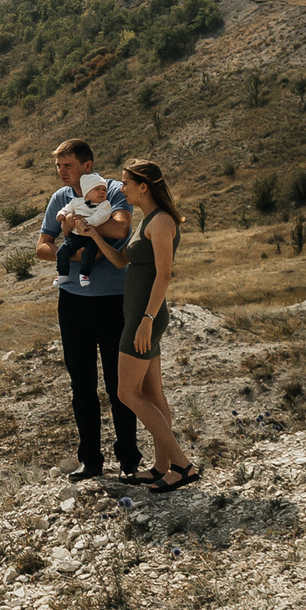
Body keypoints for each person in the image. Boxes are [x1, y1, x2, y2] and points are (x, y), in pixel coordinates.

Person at [81, 158, 199, 493]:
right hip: (138, 315)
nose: (120, 188)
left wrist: (146, 321)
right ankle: (163, 466)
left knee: (126, 392)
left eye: (126, 183)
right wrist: (93, 236)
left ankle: (182, 465)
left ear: (144, 186)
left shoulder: (160, 222)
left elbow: (164, 275)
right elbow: (121, 261)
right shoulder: (146, 220)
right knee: (150, 393)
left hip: (144, 318)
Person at [34, 139, 140, 483]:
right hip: (73, 302)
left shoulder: (113, 191)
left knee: (118, 384)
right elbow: (42, 247)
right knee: (81, 384)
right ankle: (91, 461)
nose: (61, 172)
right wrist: (80, 254)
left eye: (67, 165)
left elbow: (121, 228)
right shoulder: (59, 198)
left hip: (112, 299)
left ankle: (128, 460)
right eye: (58, 166)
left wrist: (86, 225)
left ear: (87, 165)